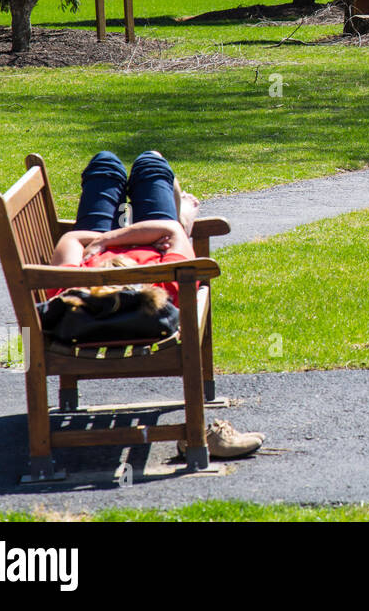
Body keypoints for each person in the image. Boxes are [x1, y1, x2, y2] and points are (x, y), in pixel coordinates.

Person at [52, 150, 264, 460]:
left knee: (107, 163)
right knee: (149, 161)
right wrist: (113, 240)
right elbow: (170, 232)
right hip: (136, 242)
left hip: (121, 244)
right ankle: (185, 215)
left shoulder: (76, 292)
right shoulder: (160, 285)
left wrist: (106, 242)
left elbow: (71, 240)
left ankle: (182, 215)